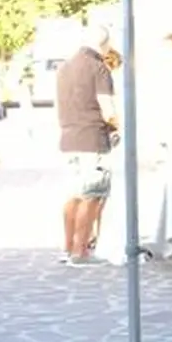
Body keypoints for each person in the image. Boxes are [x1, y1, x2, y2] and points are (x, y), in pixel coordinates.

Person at [55, 22, 118, 266]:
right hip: (92, 137)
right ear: (104, 44)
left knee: (72, 194)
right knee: (91, 195)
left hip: (68, 138)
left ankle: (68, 246)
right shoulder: (98, 68)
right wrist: (117, 128)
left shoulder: (64, 67)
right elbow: (108, 109)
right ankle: (81, 250)